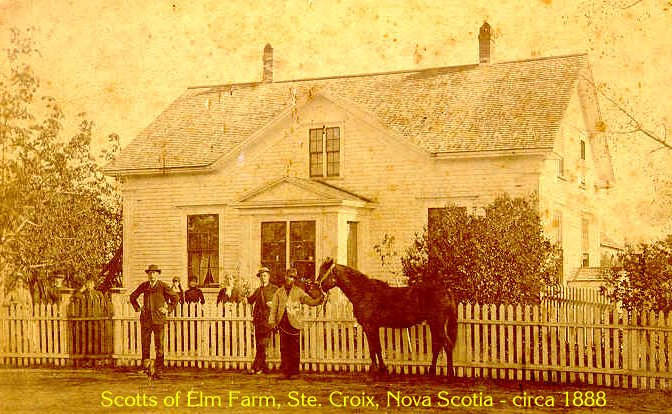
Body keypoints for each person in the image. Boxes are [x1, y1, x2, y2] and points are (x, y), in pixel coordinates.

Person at [268, 268, 324, 379]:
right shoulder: (279, 292)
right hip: (283, 324)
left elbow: (310, 301)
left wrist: (320, 299)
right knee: (284, 349)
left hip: (295, 324)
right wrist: (272, 321)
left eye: (293, 278)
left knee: (294, 349)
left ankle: (294, 372)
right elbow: (274, 308)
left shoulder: (298, 291)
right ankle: (285, 372)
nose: (291, 279)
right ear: (285, 277)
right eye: (289, 277)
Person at [130, 264, 180, 379]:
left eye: (154, 273)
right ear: (148, 275)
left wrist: (167, 309)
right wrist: (138, 308)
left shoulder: (163, 286)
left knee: (159, 346)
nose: (152, 275)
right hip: (146, 320)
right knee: (145, 345)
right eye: (150, 273)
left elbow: (176, 298)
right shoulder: (144, 286)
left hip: (159, 320)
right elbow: (132, 297)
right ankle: (145, 368)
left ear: (158, 274)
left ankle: (159, 368)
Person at [246, 267, 277, 374]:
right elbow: (250, 300)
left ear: (268, 276)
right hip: (258, 321)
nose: (263, 278)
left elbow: (279, 303)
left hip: (268, 321)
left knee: (262, 345)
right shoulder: (258, 290)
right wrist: (246, 293)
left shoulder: (274, 289)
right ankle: (263, 368)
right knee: (260, 345)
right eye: (261, 276)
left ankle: (256, 367)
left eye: (265, 275)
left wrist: (272, 305)